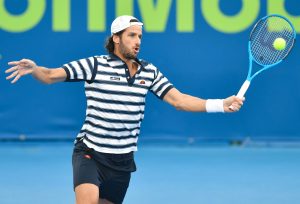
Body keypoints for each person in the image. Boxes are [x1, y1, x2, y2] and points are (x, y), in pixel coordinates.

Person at [5, 15, 244, 204]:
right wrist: (35, 69)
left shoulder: (149, 71)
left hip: (122, 161)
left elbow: (178, 100)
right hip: (90, 153)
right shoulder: (94, 65)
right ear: (116, 38)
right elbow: (50, 76)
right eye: (131, 35)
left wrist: (220, 105)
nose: (138, 41)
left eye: (140, 36)